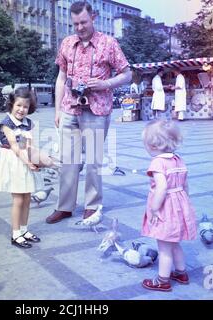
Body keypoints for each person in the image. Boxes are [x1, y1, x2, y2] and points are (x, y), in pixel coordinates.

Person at [45, 1, 132, 224]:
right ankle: (64, 206)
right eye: (75, 24)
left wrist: (106, 84)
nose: (80, 27)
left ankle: (92, 207)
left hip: (97, 109)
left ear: (93, 17)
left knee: (93, 161)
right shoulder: (66, 43)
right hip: (69, 109)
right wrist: (57, 109)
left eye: (83, 22)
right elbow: (61, 77)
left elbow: (127, 74)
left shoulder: (109, 43)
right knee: (67, 160)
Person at [141, 120, 197, 292]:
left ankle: (162, 280)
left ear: (152, 144)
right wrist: (185, 202)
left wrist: (155, 208)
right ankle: (181, 273)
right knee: (174, 243)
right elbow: (185, 185)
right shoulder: (178, 160)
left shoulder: (158, 163)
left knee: (164, 247)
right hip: (180, 204)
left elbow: (162, 187)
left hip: (166, 207)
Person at [0, 87, 53, 249]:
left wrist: (38, 161)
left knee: (27, 197)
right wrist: (28, 163)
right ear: (12, 104)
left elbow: (30, 146)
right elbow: (14, 146)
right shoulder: (6, 123)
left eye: (25, 107)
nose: (21, 109)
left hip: (25, 159)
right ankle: (15, 234)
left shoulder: (29, 123)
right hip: (13, 161)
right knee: (18, 199)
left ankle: (24, 230)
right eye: (18, 105)